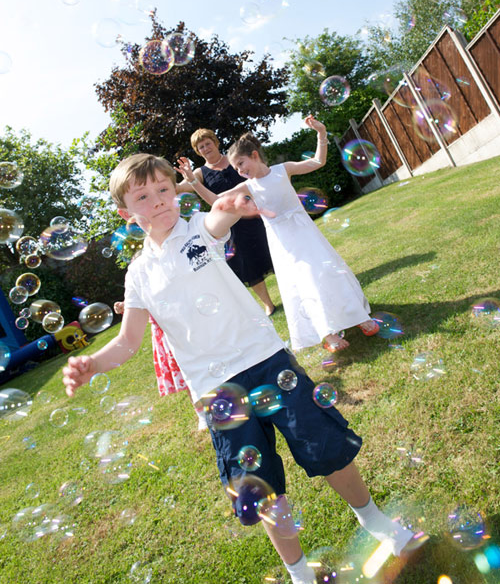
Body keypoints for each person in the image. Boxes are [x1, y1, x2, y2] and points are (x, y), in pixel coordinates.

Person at [63, 153, 415, 584]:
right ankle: (300, 572)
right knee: (260, 485)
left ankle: (374, 521)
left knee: (325, 443)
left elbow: (217, 219)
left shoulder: (197, 231)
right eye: (144, 195)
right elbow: (129, 341)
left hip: (265, 360)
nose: (158, 200)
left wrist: (228, 209)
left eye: (164, 189)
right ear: (127, 214)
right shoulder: (138, 274)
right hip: (216, 389)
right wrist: (93, 363)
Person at [179, 116, 380, 354]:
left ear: (254, 155)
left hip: (305, 231)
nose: (240, 171)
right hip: (283, 241)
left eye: (242, 164)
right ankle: (328, 332)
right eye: (236, 168)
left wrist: (321, 134)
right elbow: (216, 201)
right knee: (305, 280)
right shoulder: (247, 187)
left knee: (328, 269)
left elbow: (317, 161)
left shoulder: (282, 170)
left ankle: (358, 316)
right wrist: (193, 181)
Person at [176, 128, 276, 316]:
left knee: (273, 251)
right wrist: (161, 186)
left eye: (207, 143)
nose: (205, 148)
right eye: (201, 147)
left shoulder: (233, 158)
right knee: (249, 264)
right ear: (198, 151)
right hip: (232, 225)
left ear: (215, 142)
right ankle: (268, 304)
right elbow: (182, 188)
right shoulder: (200, 173)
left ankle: (291, 290)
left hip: (257, 214)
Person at [113, 301, 207, 429]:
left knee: (201, 368)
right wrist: (127, 306)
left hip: (182, 326)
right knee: (185, 376)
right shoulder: (137, 283)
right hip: (165, 334)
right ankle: (202, 414)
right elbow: (139, 303)